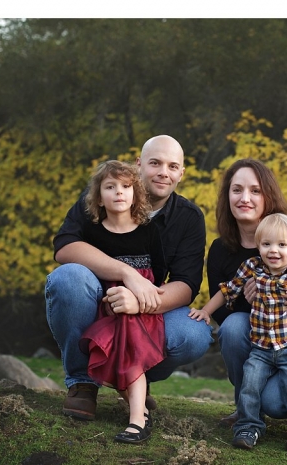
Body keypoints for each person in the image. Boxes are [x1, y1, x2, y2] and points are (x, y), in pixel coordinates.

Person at [46, 135, 213, 422]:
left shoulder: (187, 218)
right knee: (68, 278)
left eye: (173, 166)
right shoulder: (104, 194)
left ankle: (135, 378)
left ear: (181, 174)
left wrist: (139, 302)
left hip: (144, 310)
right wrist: (127, 274)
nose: (164, 172)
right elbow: (64, 247)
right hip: (94, 302)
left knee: (194, 334)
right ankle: (83, 382)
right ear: (139, 165)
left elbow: (186, 285)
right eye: (155, 163)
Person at [205, 158, 287, 427]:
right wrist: (249, 298)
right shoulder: (221, 250)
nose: (245, 198)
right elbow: (222, 308)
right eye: (237, 190)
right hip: (262, 343)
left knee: (276, 404)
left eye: (255, 191)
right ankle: (247, 409)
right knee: (231, 328)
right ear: (227, 196)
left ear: (268, 195)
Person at [189, 213, 287, 451]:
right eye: (267, 244)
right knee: (249, 385)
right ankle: (249, 426)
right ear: (258, 247)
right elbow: (228, 290)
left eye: (281, 245)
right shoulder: (252, 268)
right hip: (262, 347)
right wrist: (206, 311)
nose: (273, 251)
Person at [77, 160, 164, 443]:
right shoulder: (92, 234)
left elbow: (159, 276)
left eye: (126, 187)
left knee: (130, 342)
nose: (119, 193)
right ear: (98, 196)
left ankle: (138, 420)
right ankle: (136, 405)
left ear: (136, 194)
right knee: (110, 344)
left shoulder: (149, 231)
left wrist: (139, 300)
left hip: (142, 307)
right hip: (107, 306)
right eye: (110, 187)